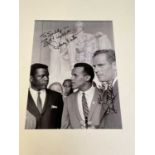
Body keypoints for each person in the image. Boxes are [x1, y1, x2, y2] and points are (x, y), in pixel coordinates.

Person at [61, 63, 102, 129]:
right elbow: (64, 126)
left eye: (75, 75)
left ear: (87, 78)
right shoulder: (69, 99)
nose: (71, 78)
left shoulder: (105, 95)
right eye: (72, 75)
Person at [25, 63, 63, 129]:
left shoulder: (57, 97)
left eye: (47, 76)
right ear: (31, 78)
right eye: (42, 76)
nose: (46, 79)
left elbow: (60, 123)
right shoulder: (21, 96)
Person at [93, 49, 122, 128]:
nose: (96, 70)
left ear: (115, 65)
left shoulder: (123, 89)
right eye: (94, 66)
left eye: (101, 65)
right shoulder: (107, 91)